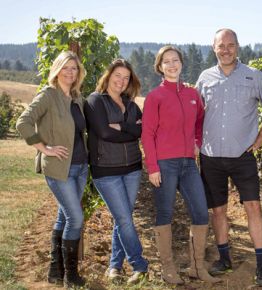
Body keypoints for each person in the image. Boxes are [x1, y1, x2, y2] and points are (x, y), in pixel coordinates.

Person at [196, 28, 262, 286]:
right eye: (221, 45)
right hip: (211, 156)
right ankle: (224, 258)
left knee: (253, 207)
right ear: (213, 48)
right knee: (218, 211)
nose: (226, 49)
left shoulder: (254, 76)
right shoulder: (204, 78)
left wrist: (261, 137)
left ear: (238, 47)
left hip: (243, 155)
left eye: (230, 45)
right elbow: (194, 112)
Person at [141, 45, 221, 285]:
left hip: (188, 164)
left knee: (200, 212)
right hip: (164, 164)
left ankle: (197, 266)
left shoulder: (192, 94)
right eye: (166, 61)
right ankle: (168, 268)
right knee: (164, 213)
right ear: (160, 67)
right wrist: (153, 167)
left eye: (175, 60)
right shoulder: (155, 96)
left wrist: (197, 141)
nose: (172, 65)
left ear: (182, 64)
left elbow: (199, 122)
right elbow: (147, 134)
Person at [16, 51, 87, 288]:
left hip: (79, 167)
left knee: (63, 216)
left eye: (74, 68)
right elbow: (23, 122)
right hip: (58, 168)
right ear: (57, 69)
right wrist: (44, 148)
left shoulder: (76, 98)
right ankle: (71, 276)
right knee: (75, 218)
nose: (70, 72)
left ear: (79, 72)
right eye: (65, 67)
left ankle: (55, 271)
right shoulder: (48, 95)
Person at [83, 59, 148, 285]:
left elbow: (142, 131)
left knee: (124, 219)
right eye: (117, 75)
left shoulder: (131, 105)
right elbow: (104, 133)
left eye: (126, 77)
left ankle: (114, 267)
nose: (121, 81)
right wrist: (131, 130)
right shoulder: (95, 101)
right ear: (108, 76)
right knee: (124, 218)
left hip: (132, 169)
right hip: (106, 170)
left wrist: (122, 127)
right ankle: (140, 265)